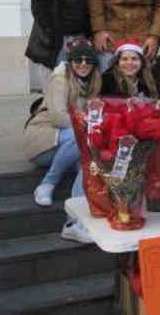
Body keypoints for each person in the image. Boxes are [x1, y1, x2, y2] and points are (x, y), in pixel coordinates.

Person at [23, 38, 101, 243]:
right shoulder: (60, 80)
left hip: (68, 145)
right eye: (78, 59)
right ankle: (47, 184)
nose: (83, 64)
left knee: (90, 164)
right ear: (70, 61)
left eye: (88, 60)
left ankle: (73, 222)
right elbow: (58, 117)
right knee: (82, 137)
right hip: (44, 141)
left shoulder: (91, 84)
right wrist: (91, 128)